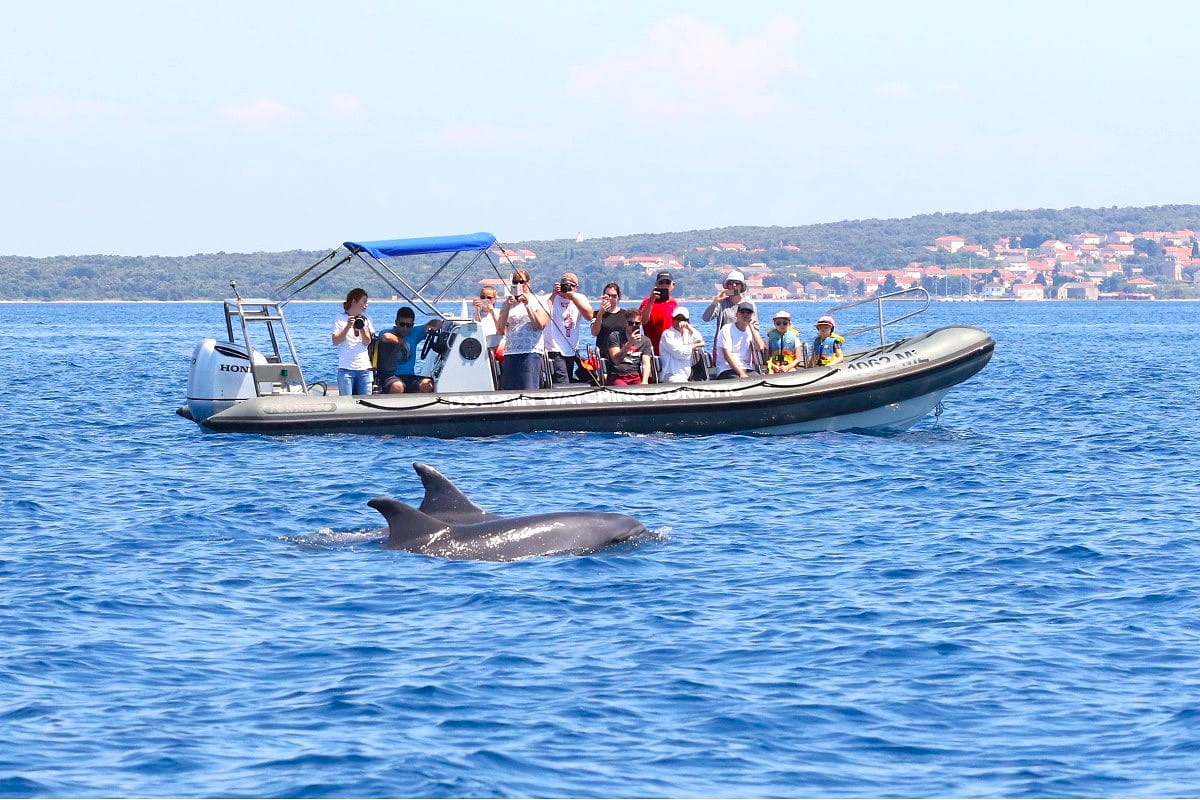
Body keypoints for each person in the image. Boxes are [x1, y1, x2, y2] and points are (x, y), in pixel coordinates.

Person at [495, 268, 550, 390]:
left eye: (522, 282)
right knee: (508, 389)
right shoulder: (508, 302)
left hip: (530, 351)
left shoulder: (539, 301)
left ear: (529, 283)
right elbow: (500, 330)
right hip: (510, 352)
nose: (519, 285)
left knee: (528, 388)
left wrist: (527, 304)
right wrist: (507, 307)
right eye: (515, 282)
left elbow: (539, 325)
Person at [544, 271, 594, 385]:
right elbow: (543, 315)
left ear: (576, 287)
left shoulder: (580, 298)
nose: (567, 288)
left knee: (569, 378)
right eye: (565, 284)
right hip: (554, 348)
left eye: (571, 285)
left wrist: (573, 298)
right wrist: (553, 295)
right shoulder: (550, 298)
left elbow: (589, 315)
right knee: (562, 382)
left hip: (571, 349)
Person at [376, 307, 441, 393]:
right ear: (396, 323)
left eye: (408, 325)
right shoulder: (388, 332)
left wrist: (431, 327)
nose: (405, 328)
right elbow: (385, 337)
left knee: (428, 385)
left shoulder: (414, 333)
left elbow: (438, 322)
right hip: (390, 376)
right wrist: (402, 342)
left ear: (412, 325)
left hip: (410, 376)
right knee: (397, 386)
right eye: (402, 324)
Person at [702, 269, 758, 356]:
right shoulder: (722, 303)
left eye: (737, 283)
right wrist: (715, 301)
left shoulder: (749, 304)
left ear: (742, 286)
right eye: (730, 283)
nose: (733, 285)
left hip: (743, 347)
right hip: (724, 346)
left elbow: (755, 326)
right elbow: (706, 318)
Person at [331, 287, 374, 395]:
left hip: (364, 368)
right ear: (354, 302)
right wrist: (347, 326)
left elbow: (367, 342)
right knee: (346, 402)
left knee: (366, 401)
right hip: (346, 369)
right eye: (364, 302)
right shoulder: (340, 318)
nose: (366, 305)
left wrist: (362, 328)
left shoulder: (366, 319)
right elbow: (336, 341)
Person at [714, 302, 765, 379]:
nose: (745, 315)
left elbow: (760, 347)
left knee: (758, 380)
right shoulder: (726, 329)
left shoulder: (751, 331)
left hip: (746, 368)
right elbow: (727, 354)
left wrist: (751, 326)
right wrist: (741, 374)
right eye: (742, 312)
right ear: (736, 314)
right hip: (726, 369)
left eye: (748, 312)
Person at [605, 309, 654, 386]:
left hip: (635, 375)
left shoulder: (645, 341)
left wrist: (644, 381)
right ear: (625, 323)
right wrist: (629, 343)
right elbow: (616, 360)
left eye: (637, 323)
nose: (634, 326)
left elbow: (646, 363)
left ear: (640, 324)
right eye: (631, 323)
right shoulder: (615, 336)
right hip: (617, 375)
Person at [658, 307, 705, 383]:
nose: (679, 322)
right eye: (676, 319)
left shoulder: (687, 333)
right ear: (672, 319)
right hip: (672, 375)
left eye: (682, 319)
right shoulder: (667, 334)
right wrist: (696, 345)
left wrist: (689, 327)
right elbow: (679, 353)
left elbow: (699, 339)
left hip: (685, 375)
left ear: (687, 321)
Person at [637, 271, 679, 354]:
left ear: (673, 285)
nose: (664, 285)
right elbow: (642, 321)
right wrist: (651, 301)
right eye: (661, 282)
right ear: (656, 284)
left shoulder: (674, 304)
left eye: (667, 282)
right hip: (653, 350)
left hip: (670, 350)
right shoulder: (647, 302)